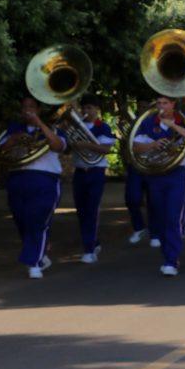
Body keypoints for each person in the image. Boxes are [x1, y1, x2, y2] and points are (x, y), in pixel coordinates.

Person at [0, 96, 69, 278]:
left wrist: (40, 124)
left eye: (31, 107)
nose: (27, 110)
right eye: (24, 107)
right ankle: (41, 254)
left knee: (37, 220)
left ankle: (34, 263)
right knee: (22, 220)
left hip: (45, 180)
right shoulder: (14, 128)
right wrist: (13, 140)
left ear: (38, 110)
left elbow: (58, 146)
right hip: (17, 178)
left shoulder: (53, 129)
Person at [132, 95, 185, 276]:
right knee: (161, 217)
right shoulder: (148, 122)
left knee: (173, 217)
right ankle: (168, 254)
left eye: (165, 103)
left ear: (173, 104)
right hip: (155, 174)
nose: (160, 106)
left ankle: (172, 259)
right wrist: (152, 145)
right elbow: (135, 146)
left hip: (177, 175)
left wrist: (173, 126)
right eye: (158, 103)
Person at [69, 94, 116, 263]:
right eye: (84, 108)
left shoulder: (102, 127)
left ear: (97, 109)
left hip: (96, 171)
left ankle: (88, 250)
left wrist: (86, 145)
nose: (86, 111)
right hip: (80, 171)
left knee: (92, 209)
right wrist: (73, 144)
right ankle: (93, 242)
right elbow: (67, 146)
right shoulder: (76, 127)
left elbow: (106, 149)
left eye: (90, 108)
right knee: (81, 211)